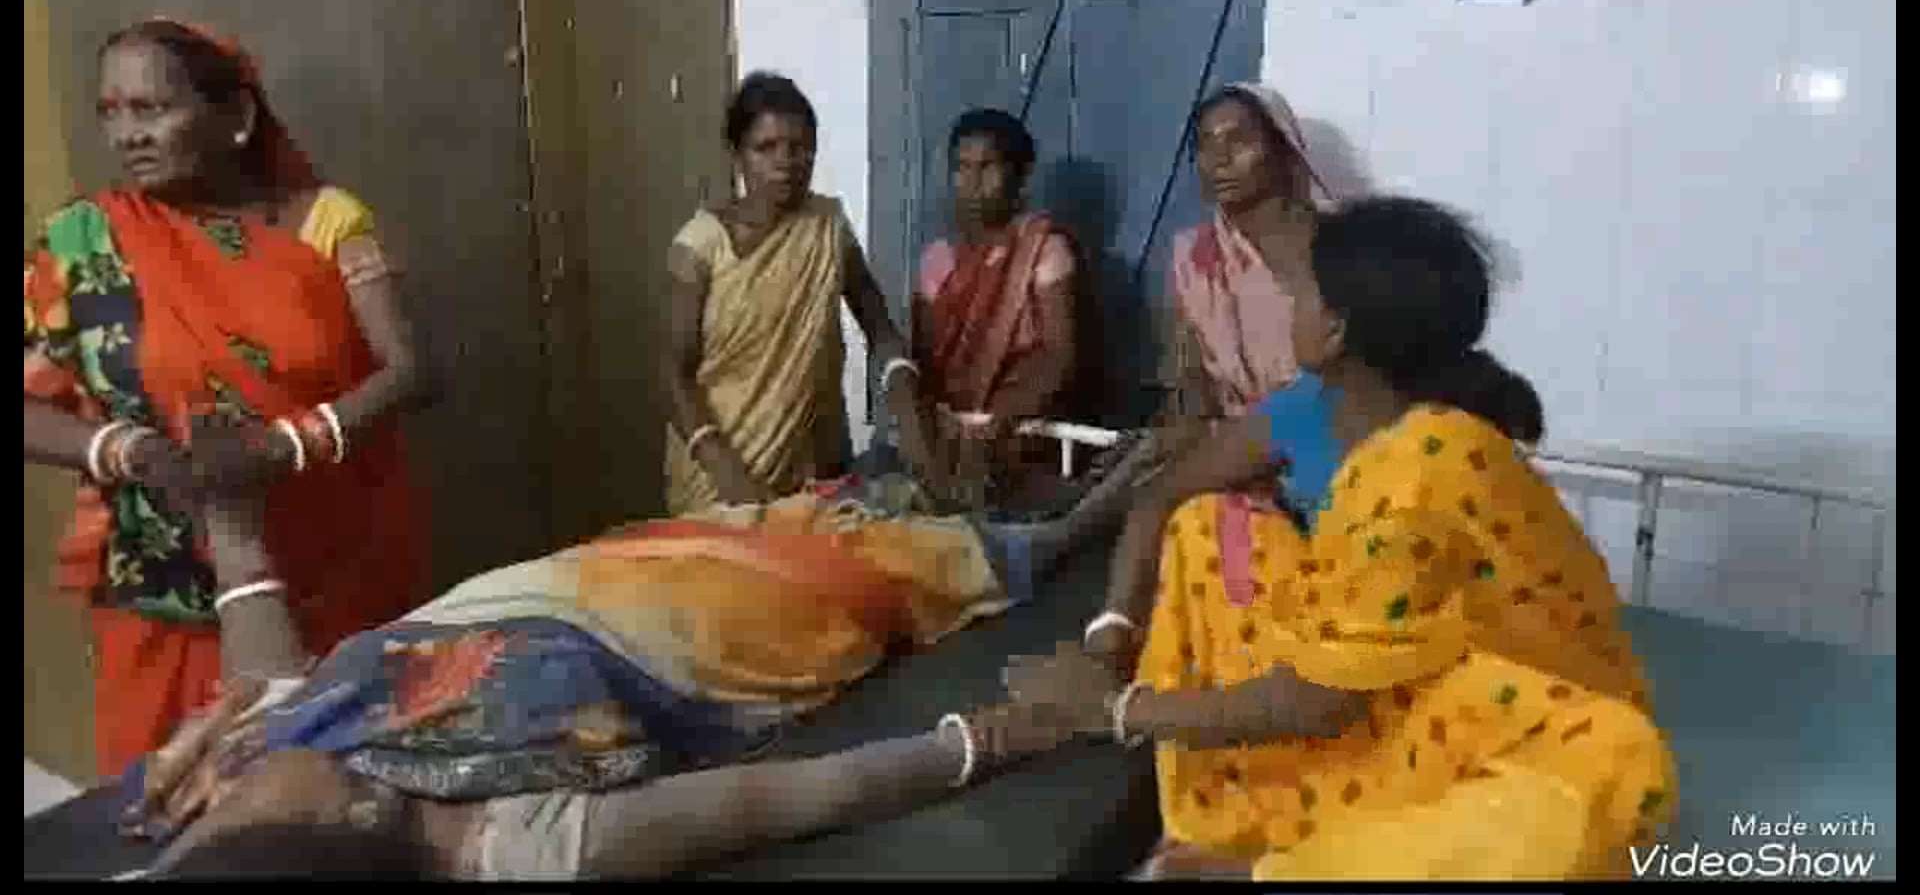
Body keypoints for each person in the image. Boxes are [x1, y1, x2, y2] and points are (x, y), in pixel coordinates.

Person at [1006, 196, 1676, 880]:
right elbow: (1172, 500)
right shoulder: (1368, 431)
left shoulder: (1420, 470)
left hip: (1536, 732)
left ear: (1334, 332)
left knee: (1554, 820)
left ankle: (1276, 863)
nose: (1288, 303)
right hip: (1413, 689)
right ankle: (1267, 819)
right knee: (1208, 525)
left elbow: (1315, 702)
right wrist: (1112, 639)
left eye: (1302, 291)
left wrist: (1111, 711)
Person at [112, 447, 1156, 879]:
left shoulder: (296, 749)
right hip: (706, 630)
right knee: (904, 565)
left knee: (786, 513)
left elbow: (270, 670)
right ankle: (1081, 521)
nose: (231, 774)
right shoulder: (508, 841)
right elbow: (789, 799)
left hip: (596, 572)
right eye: (240, 796)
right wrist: (996, 739)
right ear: (354, 819)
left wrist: (231, 523)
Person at [22, 18, 435, 778]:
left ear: (237, 117)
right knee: (169, 796)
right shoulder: (83, 243)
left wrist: (288, 445)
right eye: (111, 112)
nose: (127, 135)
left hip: (333, 571)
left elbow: (412, 371)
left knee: (331, 792)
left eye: (151, 109)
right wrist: (127, 450)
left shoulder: (325, 222)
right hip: (165, 592)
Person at [665, 72, 946, 515]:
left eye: (799, 147)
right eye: (766, 148)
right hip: (721, 481)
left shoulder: (827, 226)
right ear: (737, 154)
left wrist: (905, 402)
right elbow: (675, 373)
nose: (786, 162)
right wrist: (725, 470)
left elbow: (880, 330)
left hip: (816, 472)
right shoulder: (701, 246)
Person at [912, 108, 1085, 506]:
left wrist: (998, 423)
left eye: (987, 167)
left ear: (1019, 176)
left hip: (1023, 435)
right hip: (951, 438)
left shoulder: (1043, 249)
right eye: (962, 168)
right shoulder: (937, 259)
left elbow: (1058, 356)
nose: (972, 183)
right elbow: (924, 363)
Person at [1162, 82, 1334, 444]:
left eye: (1238, 140)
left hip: (1326, 442)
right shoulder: (1193, 256)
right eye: (1205, 144)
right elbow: (1189, 373)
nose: (1219, 159)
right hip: (1231, 446)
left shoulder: (1335, 246)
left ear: (1283, 149)